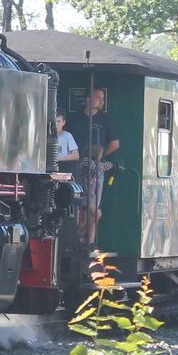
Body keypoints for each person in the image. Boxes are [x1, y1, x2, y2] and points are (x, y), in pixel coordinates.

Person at [67, 87, 119, 245]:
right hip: (75, 168)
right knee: (77, 205)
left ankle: (87, 238)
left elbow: (115, 144)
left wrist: (100, 156)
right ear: (89, 98)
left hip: (95, 170)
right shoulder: (75, 118)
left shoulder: (105, 119)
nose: (101, 101)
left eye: (102, 98)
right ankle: (77, 236)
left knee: (93, 208)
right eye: (98, 97)